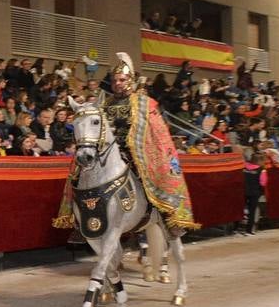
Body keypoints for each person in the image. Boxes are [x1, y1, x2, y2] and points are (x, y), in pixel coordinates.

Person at [54, 52, 198, 233]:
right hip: (107, 149)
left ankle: (162, 213)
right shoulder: (105, 103)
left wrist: (130, 133)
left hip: (137, 150)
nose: (117, 84)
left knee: (147, 174)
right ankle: (80, 217)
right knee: (79, 172)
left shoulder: (145, 103)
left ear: (130, 80)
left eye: (121, 80)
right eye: (115, 81)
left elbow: (155, 132)